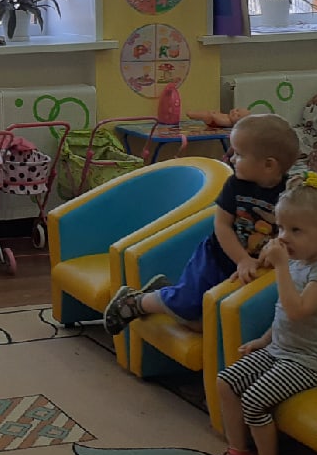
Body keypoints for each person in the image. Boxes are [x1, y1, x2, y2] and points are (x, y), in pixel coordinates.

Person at [201, 175, 317, 455]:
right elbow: (282, 312)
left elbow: (297, 311)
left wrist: (281, 267)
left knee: (255, 401)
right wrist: (264, 339)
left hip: (311, 361)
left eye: (296, 231)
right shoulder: (297, 263)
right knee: (226, 382)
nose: (283, 237)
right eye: (281, 228)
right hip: (280, 350)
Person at [104, 113, 299, 335]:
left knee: (202, 324)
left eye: (239, 154)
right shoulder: (235, 185)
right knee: (186, 307)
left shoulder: (289, 194)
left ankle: (165, 293)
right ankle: (135, 302)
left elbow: (291, 231)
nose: (232, 160)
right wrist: (242, 259)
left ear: (269, 165)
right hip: (216, 258)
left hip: (253, 267)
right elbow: (222, 225)